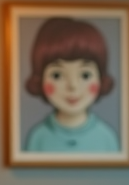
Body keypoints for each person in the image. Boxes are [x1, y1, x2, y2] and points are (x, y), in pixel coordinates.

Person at [23, 17, 120, 153]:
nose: (73, 86)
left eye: (85, 75)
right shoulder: (38, 137)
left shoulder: (107, 138)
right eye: (57, 75)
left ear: (100, 79)